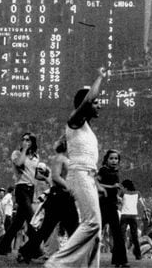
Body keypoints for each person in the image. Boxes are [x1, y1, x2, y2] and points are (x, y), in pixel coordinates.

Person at [45, 67, 107, 268]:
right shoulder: (74, 121)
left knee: (95, 229)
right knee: (92, 223)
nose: (99, 106)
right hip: (79, 174)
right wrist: (99, 77)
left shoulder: (86, 128)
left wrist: (96, 183)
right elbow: (88, 100)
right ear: (85, 105)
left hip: (87, 176)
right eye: (97, 103)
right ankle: (57, 263)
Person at [18, 135, 79, 264]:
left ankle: (26, 252)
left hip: (63, 197)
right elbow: (56, 177)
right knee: (52, 229)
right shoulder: (59, 159)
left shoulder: (66, 159)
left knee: (65, 228)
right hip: (58, 197)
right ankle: (25, 252)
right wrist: (69, 188)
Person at [0, 132, 39, 255]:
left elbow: (36, 175)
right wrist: (24, 149)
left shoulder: (36, 157)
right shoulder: (17, 154)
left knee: (17, 223)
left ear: (32, 142)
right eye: (23, 139)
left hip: (31, 190)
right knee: (31, 217)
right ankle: (36, 248)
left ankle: (1, 248)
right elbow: (19, 164)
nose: (24, 141)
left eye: (28, 140)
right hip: (21, 188)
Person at [97, 150, 129, 267]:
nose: (114, 161)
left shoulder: (115, 172)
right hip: (102, 206)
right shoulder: (102, 170)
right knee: (95, 232)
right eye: (111, 158)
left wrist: (116, 196)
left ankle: (120, 261)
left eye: (116, 159)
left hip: (112, 206)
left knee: (118, 234)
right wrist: (111, 187)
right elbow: (95, 183)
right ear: (106, 160)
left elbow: (114, 188)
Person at [120, 179, 146, 260]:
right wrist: (145, 210)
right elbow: (142, 204)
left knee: (121, 235)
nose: (122, 188)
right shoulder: (138, 193)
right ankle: (138, 255)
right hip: (133, 216)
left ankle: (121, 253)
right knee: (134, 236)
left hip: (124, 215)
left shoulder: (123, 193)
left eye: (123, 186)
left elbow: (119, 201)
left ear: (126, 187)